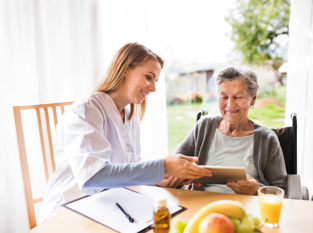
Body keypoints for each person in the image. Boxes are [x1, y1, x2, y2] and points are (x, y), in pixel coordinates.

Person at [39, 42, 211, 223]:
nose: (153, 88)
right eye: (148, 77)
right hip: (69, 213)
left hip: (107, 210)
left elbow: (126, 173)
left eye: (155, 81)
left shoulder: (131, 119)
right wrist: (163, 166)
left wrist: (160, 178)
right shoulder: (87, 109)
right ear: (124, 69)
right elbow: (93, 177)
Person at [173, 66, 287, 195]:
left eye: (238, 97)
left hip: (248, 208)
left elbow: (283, 191)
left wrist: (257, 191)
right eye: (224, 97)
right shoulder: (204, 126)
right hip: (202, 205)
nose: (230, 104)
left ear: (253, 99)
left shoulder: (267, 138)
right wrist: (181, 176)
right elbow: (173, 165)